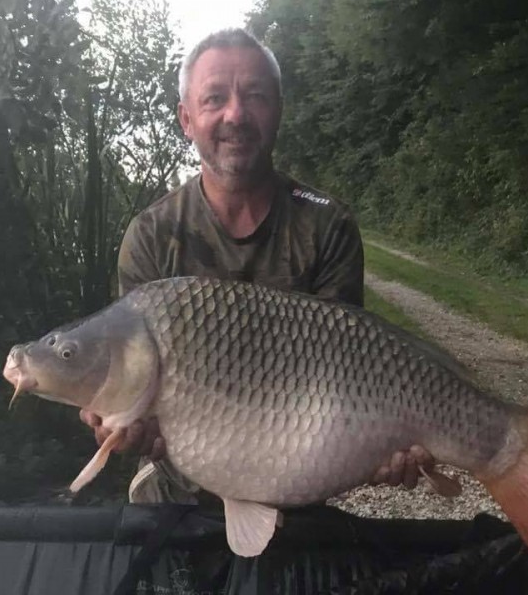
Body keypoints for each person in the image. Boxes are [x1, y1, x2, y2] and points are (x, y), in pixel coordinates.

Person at [80, 28, 434, 503]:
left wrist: (379, 448)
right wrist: (119, 422)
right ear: (187, 119)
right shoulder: (151, 234)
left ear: (278, 111)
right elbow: (130, 386)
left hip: (298, 483)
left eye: (255, 96)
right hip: (177, 491)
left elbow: (349, 377)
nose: (236, 114)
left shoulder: (326, 224)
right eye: (214, 99)